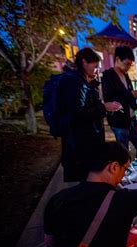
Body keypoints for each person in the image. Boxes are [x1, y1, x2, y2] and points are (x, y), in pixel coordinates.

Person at [57, 48, 123, 182]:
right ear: (84, 62)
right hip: (79, 147)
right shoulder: (75, 83)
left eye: (99, 67)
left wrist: (105, 106)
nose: (98, 70)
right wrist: (104, 107)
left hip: (91, 142)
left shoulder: (88, 82)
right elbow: (78, 113)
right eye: (95, 66)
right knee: (84, 183)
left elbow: (91, 107)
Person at [102, 46, 137, 163]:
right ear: (117, 59)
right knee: (123, 154)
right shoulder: (108, 76)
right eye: (126, 64)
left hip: (131, 120)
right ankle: (124, 177)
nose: (128, 67)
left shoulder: (126, 76)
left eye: (130, 65)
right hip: (119, 122)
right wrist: (131, 94)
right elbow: (110, 99)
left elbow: (130, 100)